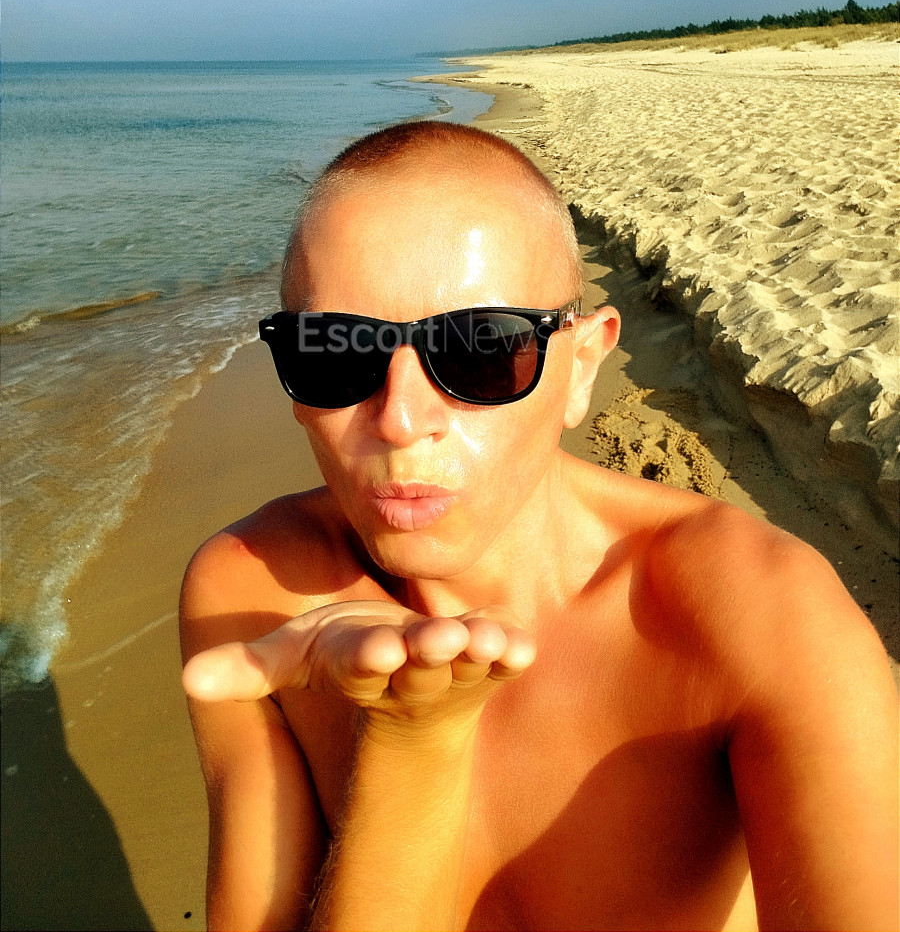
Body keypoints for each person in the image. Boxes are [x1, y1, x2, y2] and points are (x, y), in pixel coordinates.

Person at [180, 121, 898, 932]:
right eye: (335, 351)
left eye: (482, 351)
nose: (401, 419)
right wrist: (409, 742)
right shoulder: (254, 591)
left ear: (581, 365)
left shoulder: (757, 609)